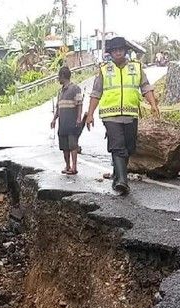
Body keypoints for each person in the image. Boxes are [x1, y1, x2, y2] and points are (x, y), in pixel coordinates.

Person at [85, 36, 160, 195]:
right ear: (110, 53)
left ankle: (117, 173)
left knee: (128, 148)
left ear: (125, 51)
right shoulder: (105, 69)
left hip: (130, 114)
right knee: (118, 146)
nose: (118, 52)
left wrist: (153, 104)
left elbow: (145, 87)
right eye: (114, 50)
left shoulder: (136, 68)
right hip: (110, 115)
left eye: (120, 49)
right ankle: (121, 181)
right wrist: (90, 114)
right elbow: (96, 93)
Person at [51, 66, 84, 175]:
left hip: (72, 122)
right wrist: (54, 119)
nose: (58, 79)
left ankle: (74, 167)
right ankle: (67, 166)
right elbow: (58, 107)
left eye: (59, 77)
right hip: (63, 124)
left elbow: (79, 104)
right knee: (64, 146)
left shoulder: (75, 89)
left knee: (73, 145)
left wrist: (79, 118)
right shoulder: (60, 92)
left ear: (63, 76)